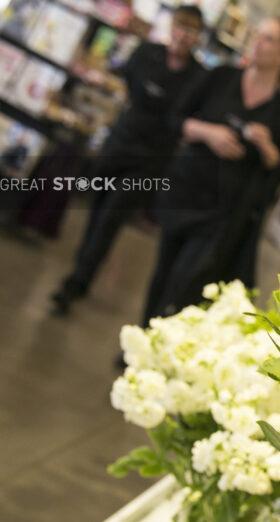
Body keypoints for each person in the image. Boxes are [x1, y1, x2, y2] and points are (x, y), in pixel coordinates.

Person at [139, 17, 280, 325]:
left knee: (186, 280)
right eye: (259, 35)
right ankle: (140, 338)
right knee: (163, 271)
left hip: (225, 212)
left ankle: (160, 342)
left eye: (269, 39)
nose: (258, 42)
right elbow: (176, 119)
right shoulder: (221, 77)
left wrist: (268, 146)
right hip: (187, 190)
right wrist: (208, 132)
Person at [49, 6, 205, 316]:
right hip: (119, 144)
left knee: (111, 217)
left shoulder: (198, 78)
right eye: (180, 27)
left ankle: (77, 280)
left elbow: (186, 120)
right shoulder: (146, 54)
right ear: (171, 27)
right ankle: (82, 267)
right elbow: (127, 86)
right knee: (96, 211)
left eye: (191, 31)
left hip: (151, 160)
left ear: (197, 37)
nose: (183, 36)